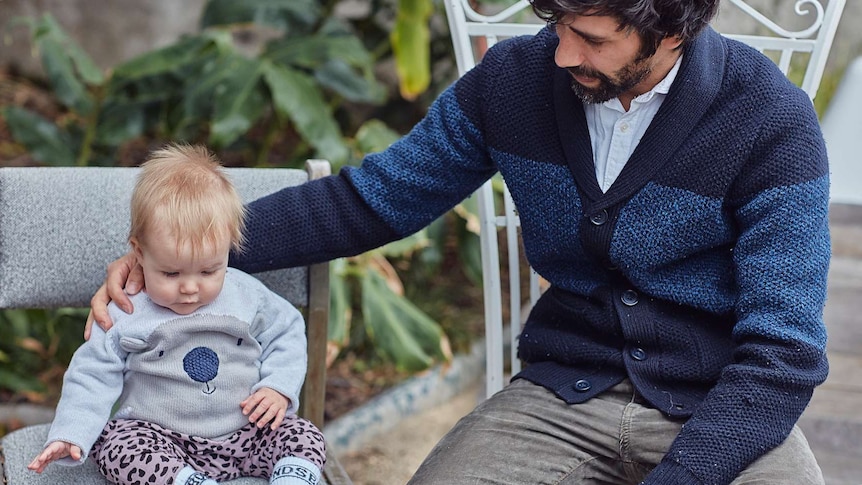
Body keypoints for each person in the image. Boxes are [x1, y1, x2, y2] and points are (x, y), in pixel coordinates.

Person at [88, 1, 832, 483]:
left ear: (673, 28)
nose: (563, 53)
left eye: (592, 38)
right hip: (562, 393)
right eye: (557, 23)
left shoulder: (772, 121)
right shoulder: (512, 81)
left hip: (720, 408)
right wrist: (190, 252)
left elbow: (784, 351)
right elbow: (369, 200)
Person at [33, 145, 326, 485]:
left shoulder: (248, 296)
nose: (190, 288)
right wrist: (71, 433)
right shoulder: (128, 309)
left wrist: (278, 387)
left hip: (247, 433)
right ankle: (187, 480)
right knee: (117, 447)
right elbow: (92, 373)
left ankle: (291, 479)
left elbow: (287, 331)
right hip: (162, 440)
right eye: (171, 274)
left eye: (209, 271)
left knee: (302, 434)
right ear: (139, 253)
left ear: (228, 249)